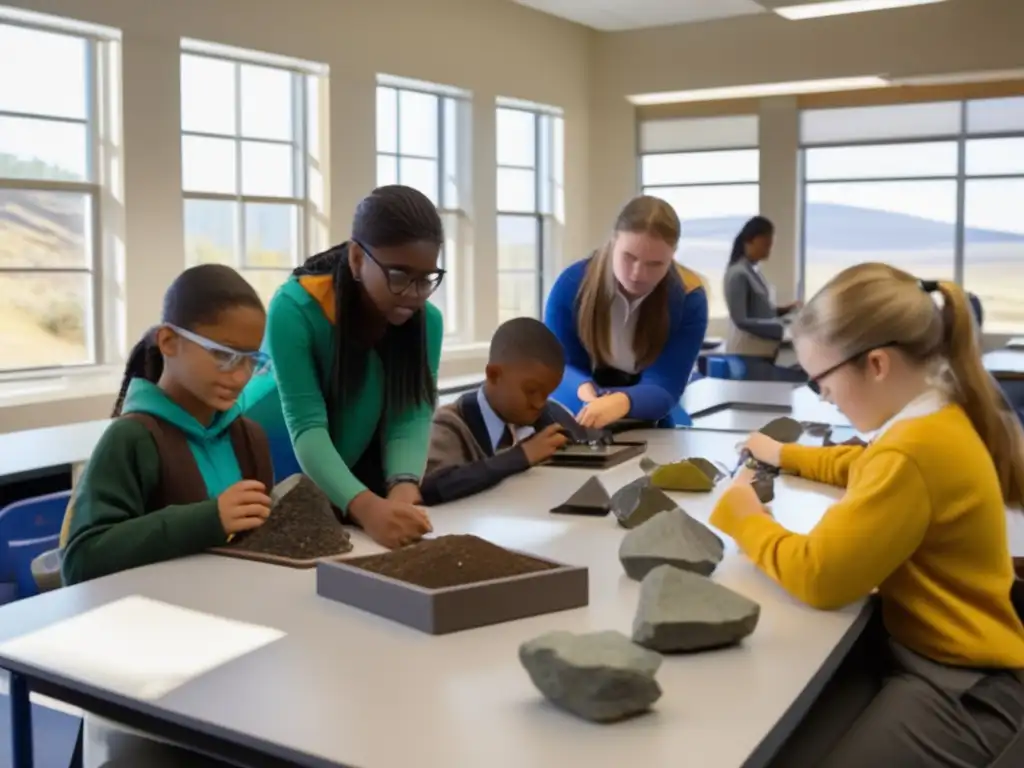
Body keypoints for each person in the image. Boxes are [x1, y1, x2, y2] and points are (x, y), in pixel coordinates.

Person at [710, 263, 1024, 768]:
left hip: (963, 688)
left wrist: (744, 515)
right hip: (943, 660)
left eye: (822, 383)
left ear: (876, 364)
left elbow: (821, 576)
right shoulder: (934, 416)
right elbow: (863, 463)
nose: (825, 397)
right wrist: (784, 455)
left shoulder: (911, 451)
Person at [241, 185, 443, 549]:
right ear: (356, 258)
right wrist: (366, 507)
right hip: (265, 466)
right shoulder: (294, 308)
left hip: (338, 476)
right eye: (398, 275)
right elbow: (306, 425)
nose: (414, 293)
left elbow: (410, 412)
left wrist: (402, 490)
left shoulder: (427, 321)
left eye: (426, 279)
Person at [61, 264, 275, 586]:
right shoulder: (131, 438)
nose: (241, 375)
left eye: (251, 360)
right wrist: (209, 519)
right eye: (222, 355)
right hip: (156, 625)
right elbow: (81, 561)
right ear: (169, 341)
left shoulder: (250, 437)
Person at [544, 195, 708, 429]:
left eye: (655, 264)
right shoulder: (571, 284)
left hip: (651, 424)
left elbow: (667, 383)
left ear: (673, 254)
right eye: (629, 257)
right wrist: (585, 394)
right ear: (613, 242)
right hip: (580, 415)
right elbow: (557, 365)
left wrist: (622, 402)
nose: (637, 274)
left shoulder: (690, 297)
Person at [422, 317, 576, 505]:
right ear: (494, 375)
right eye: (531, 391)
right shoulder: (449, 424)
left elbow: (588, 440)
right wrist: (522, 456)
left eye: (547, 394)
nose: (539, 403)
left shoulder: (545, 415)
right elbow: (433, 487)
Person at [722, 216, 806, 382]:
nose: (769, 249)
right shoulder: (738, 274)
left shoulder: (753, 271)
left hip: (762, 355)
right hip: (747, 356)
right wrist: (783, 331)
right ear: (750, 240)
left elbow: (758, 310)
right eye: (766, 244)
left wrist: (784, 310)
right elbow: (741, 320)